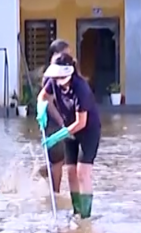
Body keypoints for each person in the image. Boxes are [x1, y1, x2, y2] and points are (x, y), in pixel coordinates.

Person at [38, 57, 101, 219]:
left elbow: (81, 122)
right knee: (71, 171)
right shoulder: (54, 83)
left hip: (88, 131)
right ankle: (76, 211)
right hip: (68, 130)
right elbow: (42, 96)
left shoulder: (81, 89)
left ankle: (86, 216)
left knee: (82, 172)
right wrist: (41, 110)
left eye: (60, 77)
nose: (58, 81)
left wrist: (58, 136)